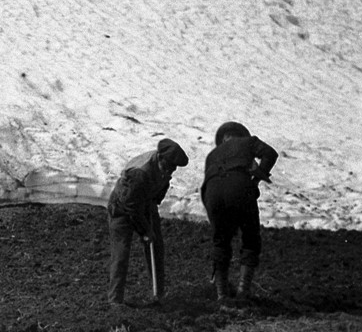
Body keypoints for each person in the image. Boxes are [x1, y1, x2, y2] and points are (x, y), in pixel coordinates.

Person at [200, 121, 278, 300]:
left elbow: (208, 186)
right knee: (250, 238)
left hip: (212, 194)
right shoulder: (247, 142)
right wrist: (256, 180)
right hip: (239, 186)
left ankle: (221, 295)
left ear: (223, 138)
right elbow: (270, 154)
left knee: (221, 241)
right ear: (240, 135)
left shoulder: (212, 155)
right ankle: (243, 293)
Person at [106, 138, 189, 305]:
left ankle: (158, 294)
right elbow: (131, 207)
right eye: (169, 165)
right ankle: (115, 301)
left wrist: (151, 213)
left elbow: (158, 193)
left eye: (174, 167)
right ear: (160, 158)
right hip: (122, 208)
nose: (171, 170)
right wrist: (146, 231)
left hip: (145, 204)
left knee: (156, 247)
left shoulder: (165, 169)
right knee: (121, 253)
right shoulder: (140, 173)